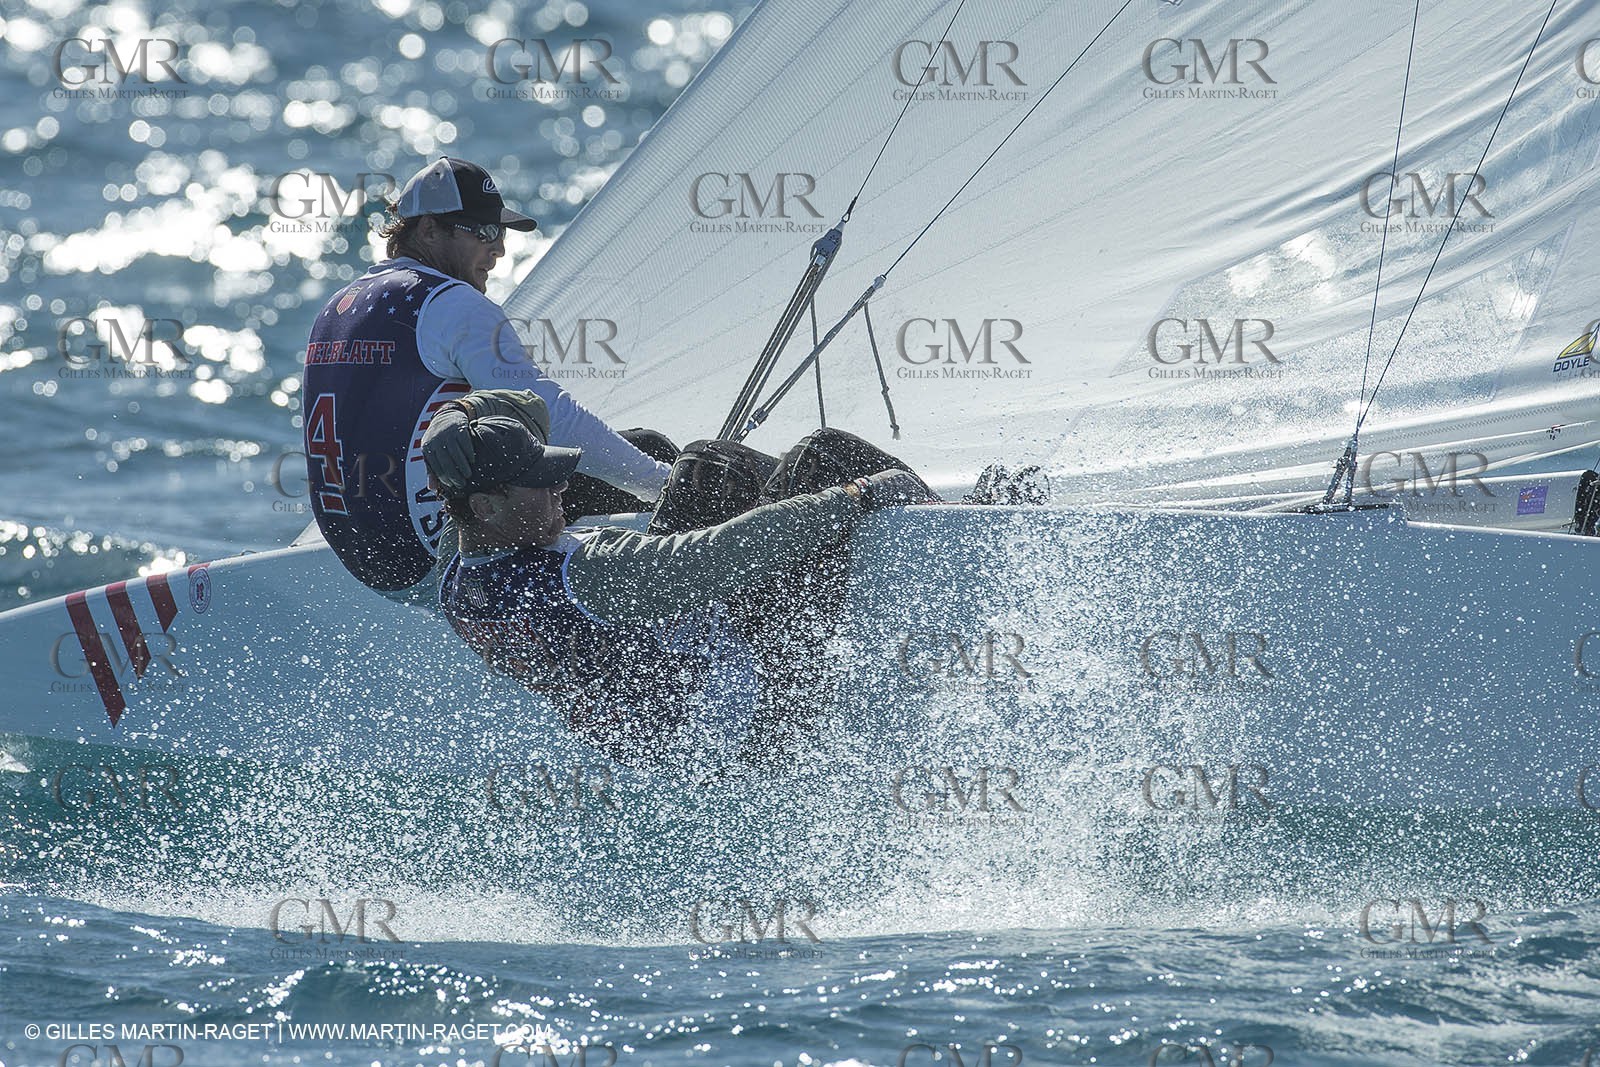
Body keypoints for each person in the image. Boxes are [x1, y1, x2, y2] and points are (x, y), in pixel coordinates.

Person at [420, 406, 937, 769]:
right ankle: (958, 524)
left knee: (702, 464)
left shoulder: (455, 567)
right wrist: (854, 496)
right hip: (765, 711)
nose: (560, 488)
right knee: (819, 456)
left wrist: (456, 418)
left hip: (666, 726)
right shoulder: (591, 574)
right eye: (540, 484)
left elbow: (492, 445)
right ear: (487, 505)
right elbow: (721, 555)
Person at [301, 155, 673, 593]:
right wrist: (661, 485)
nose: (497, 249)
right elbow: (553, 414)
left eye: (500, 233)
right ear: (428, 230)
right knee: (656, 457)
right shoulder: (450, 302)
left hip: (368, 562)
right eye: (483, 232)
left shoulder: (337, 307)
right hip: (438, 558)